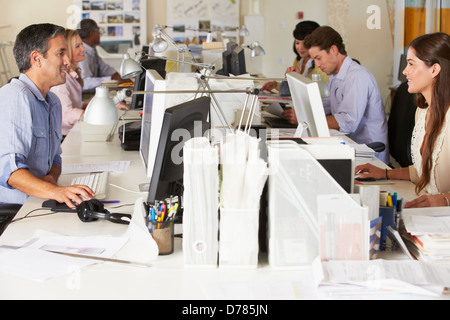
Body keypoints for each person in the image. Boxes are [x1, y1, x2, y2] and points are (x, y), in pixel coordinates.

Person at [0, 23, 94, 208]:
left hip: (39, 199)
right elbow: (8, 170)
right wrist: (55, 191)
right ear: (37, 58)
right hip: (17, 209)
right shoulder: (15, 97)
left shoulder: (52, 101)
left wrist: (51, 178)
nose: (67, 61)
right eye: (60, 54)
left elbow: (56, 158)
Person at [356, 32, 450, 208]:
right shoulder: (422, 111)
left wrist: (443, 199)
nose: (405, 71)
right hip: (429, 211)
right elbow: (423, 171)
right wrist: (384, 173)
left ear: (434, 69)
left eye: (411, 64)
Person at [283, 26, 389, 164]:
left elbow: (348, 121)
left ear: (333, 50)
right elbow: (325, 105)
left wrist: (306, 120)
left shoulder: (357, 76)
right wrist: (299, 110)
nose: (317, 64)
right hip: (347, 146)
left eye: (319, 58)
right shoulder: (335, 76)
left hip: (367, 155)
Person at [51, 29, 129, 138]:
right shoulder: (62, 81)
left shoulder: (72, 74)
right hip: (66, 136)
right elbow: (66, 114)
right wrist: (98, 114)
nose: (83, 49)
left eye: (82, 45)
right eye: (77, 46)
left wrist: (108, 106)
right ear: (67, 51)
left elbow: (77, 104)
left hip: (76, 130)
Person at [261, 20, 328, 93]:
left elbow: (315, 92)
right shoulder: (298, 60)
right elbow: (294, 88)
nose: (300, 48)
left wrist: (298, 78)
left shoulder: (321, 65)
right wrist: (276, 85)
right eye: (297, 43)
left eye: (305, 43)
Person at [77, 19, 125, 92]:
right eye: (98, 30)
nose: (99, 34)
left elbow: (104, 68)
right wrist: (111, 79)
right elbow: (84, 83)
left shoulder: (92, 50)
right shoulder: (81, 53)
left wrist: (115, 74)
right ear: (91, 33)